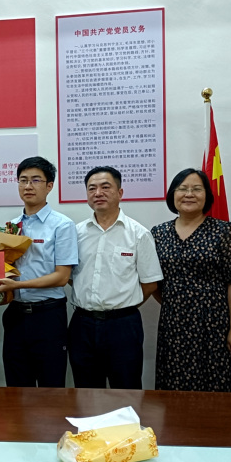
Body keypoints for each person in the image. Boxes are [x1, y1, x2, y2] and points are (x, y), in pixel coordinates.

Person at [151, 169, 231, 392]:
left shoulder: (224, 231)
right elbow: (153, 279)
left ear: (207, 195)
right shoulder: (158, 233)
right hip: (173, 325)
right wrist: (174, 302)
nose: (189, 194)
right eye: (182, 189)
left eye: (197, 189)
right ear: (172, 195)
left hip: (215, 324)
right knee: (174, 385)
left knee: (217, 385)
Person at [68, 166, 163, 389]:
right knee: (86, 391)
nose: (98, 193)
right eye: (92, 188)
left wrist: (121, 306)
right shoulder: (76, 233)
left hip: (123, 326)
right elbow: (70, 277)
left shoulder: (138, 234)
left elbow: (150, 284)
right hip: (82, 324)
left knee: (126, 390)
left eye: (105, 187)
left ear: (120, 193)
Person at [0, 157, 78, 388]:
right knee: (17, 386)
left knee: (51, 386)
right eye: (23, 180)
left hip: (48, 316)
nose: (28, 186)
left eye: (35, 180)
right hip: (16, 315)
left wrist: (17, 286)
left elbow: (62, 277)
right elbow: (6, 269)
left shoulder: (62, 225)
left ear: (49, 186)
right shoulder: (10, 227)